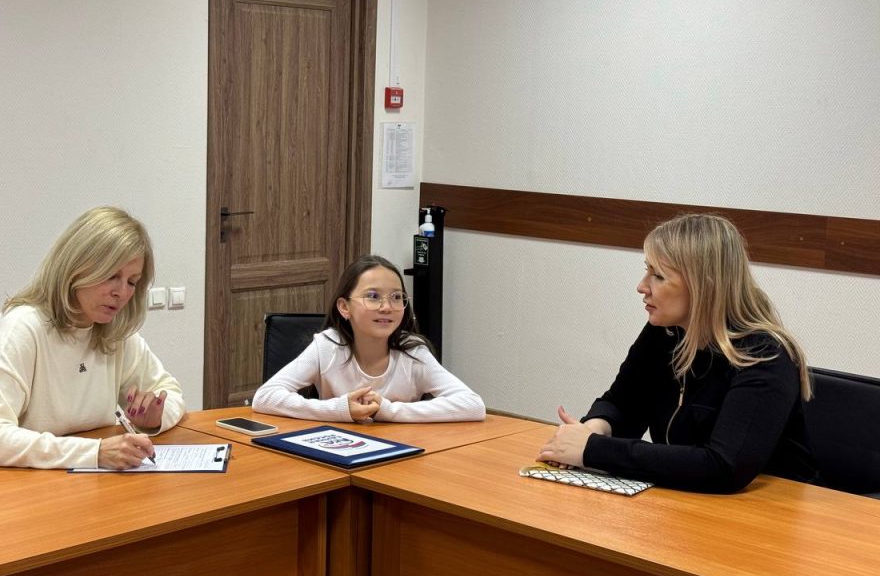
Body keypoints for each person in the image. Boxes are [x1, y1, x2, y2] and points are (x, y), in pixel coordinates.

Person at [538, 213, 819, 493]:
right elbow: (622, 403)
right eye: (647, 270)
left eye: (658, 276)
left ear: (704, 286)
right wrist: (593, 430)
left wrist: (592, 450)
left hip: (771, 510)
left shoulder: (764, 356)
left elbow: (722, 467)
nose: (642, 286)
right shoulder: (665, 332)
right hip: (685, 498)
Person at [0, 206, 186, 470]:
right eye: (111, 275)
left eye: (132, 281)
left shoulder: (116, 333)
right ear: (76, 267)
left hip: (62, 477)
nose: (122, 292)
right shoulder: (21, 328)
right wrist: (95, 452)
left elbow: (171, 393)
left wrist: (155, 417)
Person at [252, 254, 485, 423]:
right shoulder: (327, 346)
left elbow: (473, 405)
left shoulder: (412, 353)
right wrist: (340, 409)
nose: (387, 307)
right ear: (344, 307)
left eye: (396, 297)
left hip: (400, 456)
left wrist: (389, 411)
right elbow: (264, 397)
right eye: (373, 296)